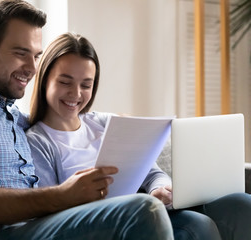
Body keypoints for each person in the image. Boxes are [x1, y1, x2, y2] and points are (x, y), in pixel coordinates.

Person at [0, 1, 174, 239]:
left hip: (36, 227)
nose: (33, 68)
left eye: (36, 56)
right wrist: (64, 195)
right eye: (20, 53)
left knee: (192, 220)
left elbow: (66, 119)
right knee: (141, 209)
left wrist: (122, 127)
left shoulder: (11, 115)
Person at [26, 32, 251, 240]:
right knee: (196, 225)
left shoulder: (104, 123)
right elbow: (51, 213)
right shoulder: (38, 141)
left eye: (86, 85)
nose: (76, 94)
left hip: (148, 213)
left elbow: (154, 174)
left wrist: (158, 189)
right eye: (65, 82)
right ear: (45, 79)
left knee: (241, 204)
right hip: (111, 225)